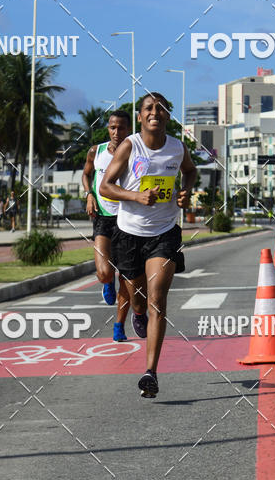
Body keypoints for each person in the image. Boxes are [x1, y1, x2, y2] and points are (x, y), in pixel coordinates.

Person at [101, 91, 197, 398]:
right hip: (128, 234)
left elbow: (191, 173)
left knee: (157, 300)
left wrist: (185, 192)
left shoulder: (178, 148)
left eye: (160, 108)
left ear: (168, 115)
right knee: (139, 302)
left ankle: (150, 373)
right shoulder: (131, 146)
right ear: (140, 116)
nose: (155, 112)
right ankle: (137, 314)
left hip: (164, 233)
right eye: (148, 108)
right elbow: (105, 187)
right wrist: (136, 196)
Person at [83, 110, 132, 342]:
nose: (116, 132)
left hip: (127, 219)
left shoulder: (135, 152)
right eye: (112, 127)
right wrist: (89, 194)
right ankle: (106, 282)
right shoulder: (97, 151)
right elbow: (86, 174)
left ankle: (119, 325)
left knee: (127, 278)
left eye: (121, 128)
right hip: (103, 217)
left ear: (129, 129)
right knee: (104, 273)